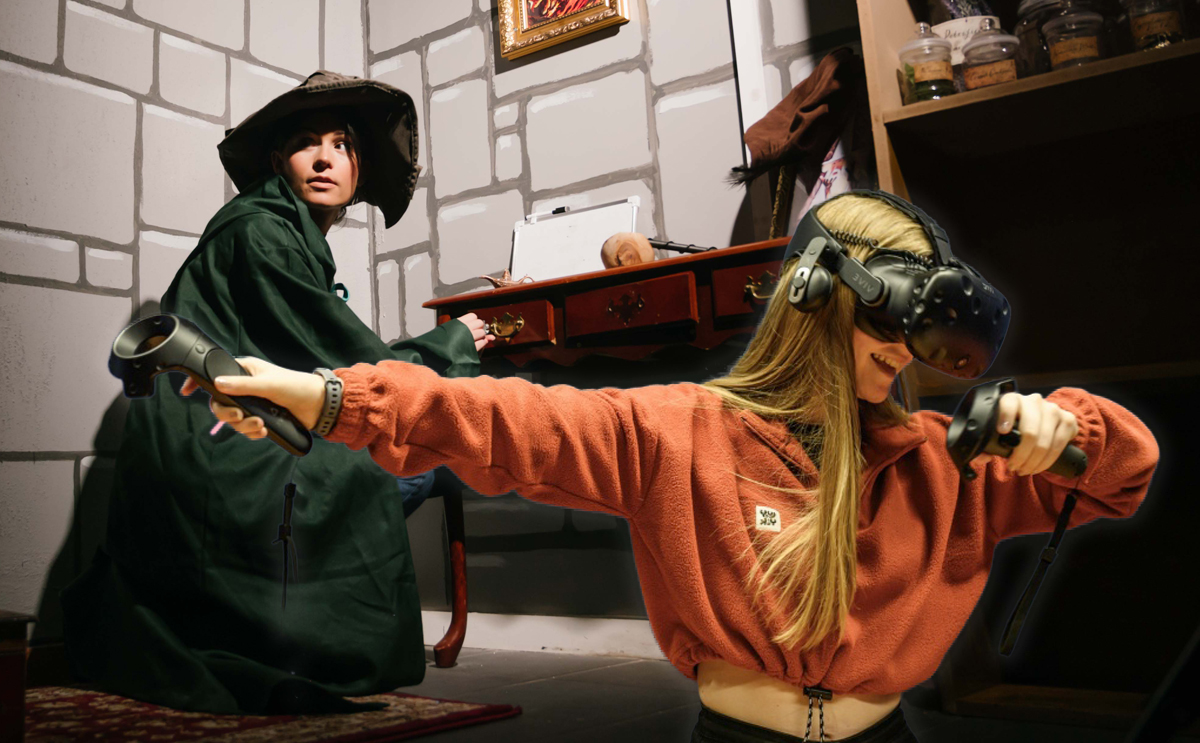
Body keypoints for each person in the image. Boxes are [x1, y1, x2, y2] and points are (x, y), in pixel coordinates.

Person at [193, 192, 1158, 741]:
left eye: (926, 328)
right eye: (890, 317)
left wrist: (1066, 423)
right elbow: (508, 421)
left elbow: (1124, 474)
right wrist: (326, 395)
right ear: (820, 298)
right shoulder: (682, 432)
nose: (905, 350)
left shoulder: (950, 466)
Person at [62, 71, 494, 715]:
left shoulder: (281, 234)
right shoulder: (260, 232)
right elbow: (348, 364)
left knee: (413, 434)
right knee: (420, 448)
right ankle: (298, 644)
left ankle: (284, 635)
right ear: (276, 162)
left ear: (358, 169)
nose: (324, 158)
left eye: (342, 146)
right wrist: (452, 341)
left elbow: (323, 360)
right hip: (224, 452)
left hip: (228, 440)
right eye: (305, 143)